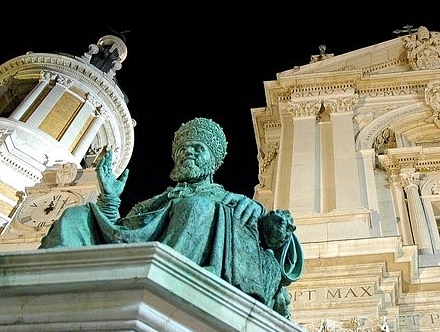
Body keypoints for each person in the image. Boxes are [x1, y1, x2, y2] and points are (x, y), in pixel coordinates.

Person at [40, 117, 303, 318]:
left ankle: (161, 286)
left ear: (212, 163)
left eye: (198, 148)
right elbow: (118, 233)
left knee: (196, 206)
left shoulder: (232, 202)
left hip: (166, 288)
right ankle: (46, 293)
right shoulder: (156, 202)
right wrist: (110, 199)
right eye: (184, 148)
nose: (189, 152)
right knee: (78, 215)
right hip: (136, 258)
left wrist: (267, 221)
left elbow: (274, 243)